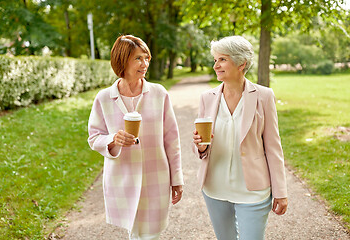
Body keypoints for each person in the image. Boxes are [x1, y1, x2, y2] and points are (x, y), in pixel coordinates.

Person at [88, 35, 184, 240]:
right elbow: (94, 137)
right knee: (135, 232)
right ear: (122, 61)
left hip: (155, 177)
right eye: (138, 59)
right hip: (122, 179)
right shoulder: (104, 98)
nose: (145, 64)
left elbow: (172, 139)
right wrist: (113, 139)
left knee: (150, 234)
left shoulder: (159, 94)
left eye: (146, 58)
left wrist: (177, 178)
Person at [192, 36, 288, 240]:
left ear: (241, 63)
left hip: (252, 190)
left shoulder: (264, 96)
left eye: (222, 59)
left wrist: (280, 190)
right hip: (215, 188)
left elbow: (273, 147)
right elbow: (202, 147)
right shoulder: (206, 98)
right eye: (215, 59)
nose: (216, 65)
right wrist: (200, 147)